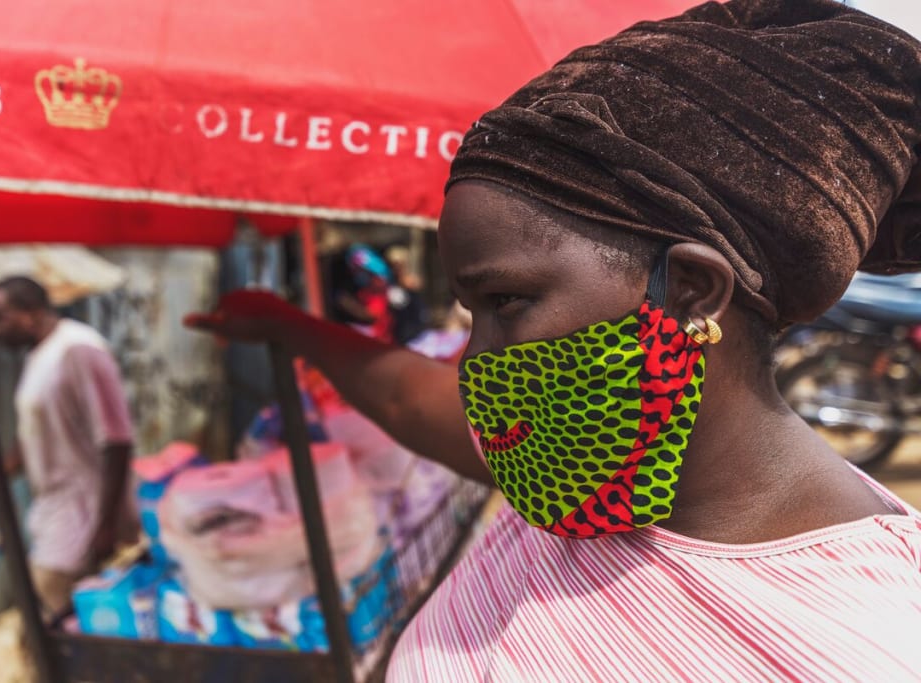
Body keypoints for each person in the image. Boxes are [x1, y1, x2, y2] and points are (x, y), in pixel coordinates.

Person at [186, 0, 921, 679]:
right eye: (473, 310)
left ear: (693, 289)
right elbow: (411, 399)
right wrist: (285, 325)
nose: (477, 357)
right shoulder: (578, 466)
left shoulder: (860, 644)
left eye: (506, 301)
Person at [0, 276, 137, 616]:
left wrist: (104, 527)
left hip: (81, 523)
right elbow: (30, 441)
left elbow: (117, 440)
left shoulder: (77, 349)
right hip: (54, 518)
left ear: (29, 312)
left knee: (55, 631)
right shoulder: (40, 356)